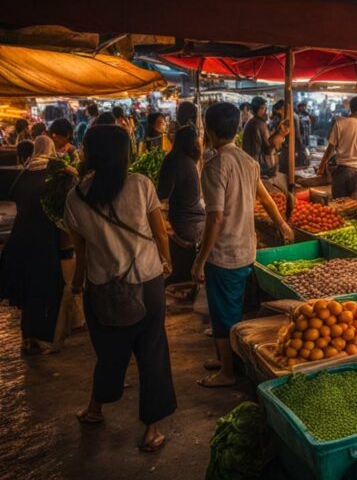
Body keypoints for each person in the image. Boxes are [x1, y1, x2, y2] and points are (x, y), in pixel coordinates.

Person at [64, 125, 175, 452]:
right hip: (147, 283)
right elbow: (161, 234)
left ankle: (95, 409)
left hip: (102, 288)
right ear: (125, 153)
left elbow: (80, 251)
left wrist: (77, 282)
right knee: (152, 353)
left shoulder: (75, 196)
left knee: (109, 353)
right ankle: (151, 430)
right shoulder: (141, 186)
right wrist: (166, 263)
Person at [193, 103, 292, 387]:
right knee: (229, 309)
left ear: (209, 131)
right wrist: (282, 224)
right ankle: (226, 359)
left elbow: (215, 218)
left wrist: (200, 260)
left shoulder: (215, 165)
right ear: (236, 129)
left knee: (225, 314)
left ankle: (227, 372)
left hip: (225, 253)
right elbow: (265, 197)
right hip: (246, 250)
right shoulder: (248, 161)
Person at [0, 136, 64, 355]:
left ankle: (28, 336)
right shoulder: (56, 173)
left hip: (21, 238)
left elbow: (14, 197)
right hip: (45, 238)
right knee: (46, 288)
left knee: (27, 288)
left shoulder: (24, 173)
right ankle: (42, 337)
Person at [157, 126, 205, 286]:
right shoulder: (185, 161)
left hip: (185, 221)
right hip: (191, 221)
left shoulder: (174, 160)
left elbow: (163, 193)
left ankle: (181, 273)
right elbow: (164, 194)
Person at [318, 96, 357, 210]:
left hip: (343, 173)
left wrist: (321, 166)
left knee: (341, 209)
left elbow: (330, 148)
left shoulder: (339, 123)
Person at [242, 96, 289, 193]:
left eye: (265, 108)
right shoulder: (258, 124)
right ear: (256, 109)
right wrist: (280, 135)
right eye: (262, 108)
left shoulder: (251, 122)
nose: (265, 111)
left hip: (252, 165)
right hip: (260, 168)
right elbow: (268, 147)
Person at [272, 99, 310, 173]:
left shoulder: (291, 117)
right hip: (293, 149)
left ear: (283, 108)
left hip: (292, 151)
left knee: (287, 172)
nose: (279, 114)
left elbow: (295, 136)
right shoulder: (294, 116)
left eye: (279, 111)